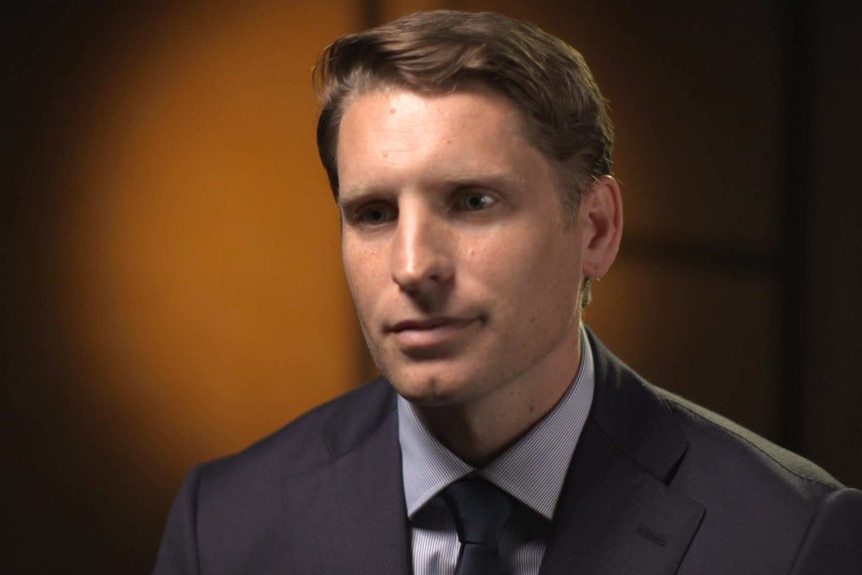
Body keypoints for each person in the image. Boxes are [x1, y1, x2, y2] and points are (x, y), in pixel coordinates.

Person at [153, 10, 862, 575]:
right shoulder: (223, 524)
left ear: (595, 228)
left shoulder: (791, 540)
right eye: (374, 213)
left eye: (472, 201)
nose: (412, 265)